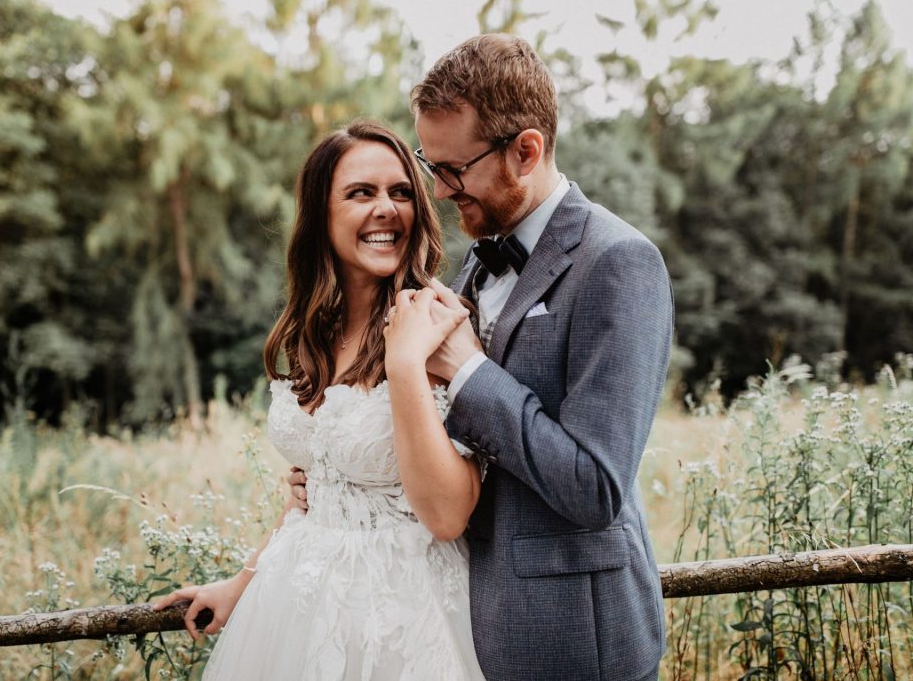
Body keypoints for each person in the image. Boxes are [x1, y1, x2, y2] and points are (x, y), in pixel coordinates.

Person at [295, 34, 674, 680]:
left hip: (576, 640)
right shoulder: (477, 261)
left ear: (525, 151)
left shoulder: (617, 263)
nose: (440, 192)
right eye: (431, 164)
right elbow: (455, 442)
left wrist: (469, 370)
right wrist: (342, 478)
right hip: (469, 622)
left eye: (453, 169)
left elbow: (596, 487)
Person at [153, 119, 486, 680]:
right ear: (321, 214)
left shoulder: (437, 324)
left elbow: (450, 514)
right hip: (298, 599)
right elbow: (322, 487)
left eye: (400, 192)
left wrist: (404, 362)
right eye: (361, 193)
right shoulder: (314, 330)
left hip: (404, 613)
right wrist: (242, 583)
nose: (386, 209)